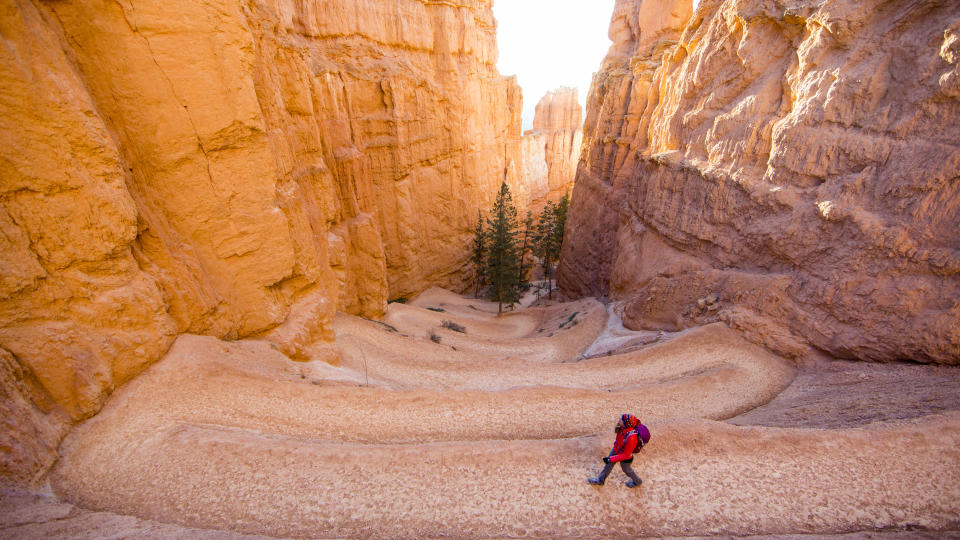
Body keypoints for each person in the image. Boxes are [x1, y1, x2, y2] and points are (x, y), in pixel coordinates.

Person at [587, 413, 645, 487]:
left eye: (621, 419)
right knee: (608, 466)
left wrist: (611, 459)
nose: (619, 419)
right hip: (617, 449)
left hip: (625, 458)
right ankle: (600, 480)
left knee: (627, 470)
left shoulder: (632, 438)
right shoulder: (622, 428)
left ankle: (637, 481)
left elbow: (626, 455)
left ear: (625, 423)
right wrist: (611, 459)